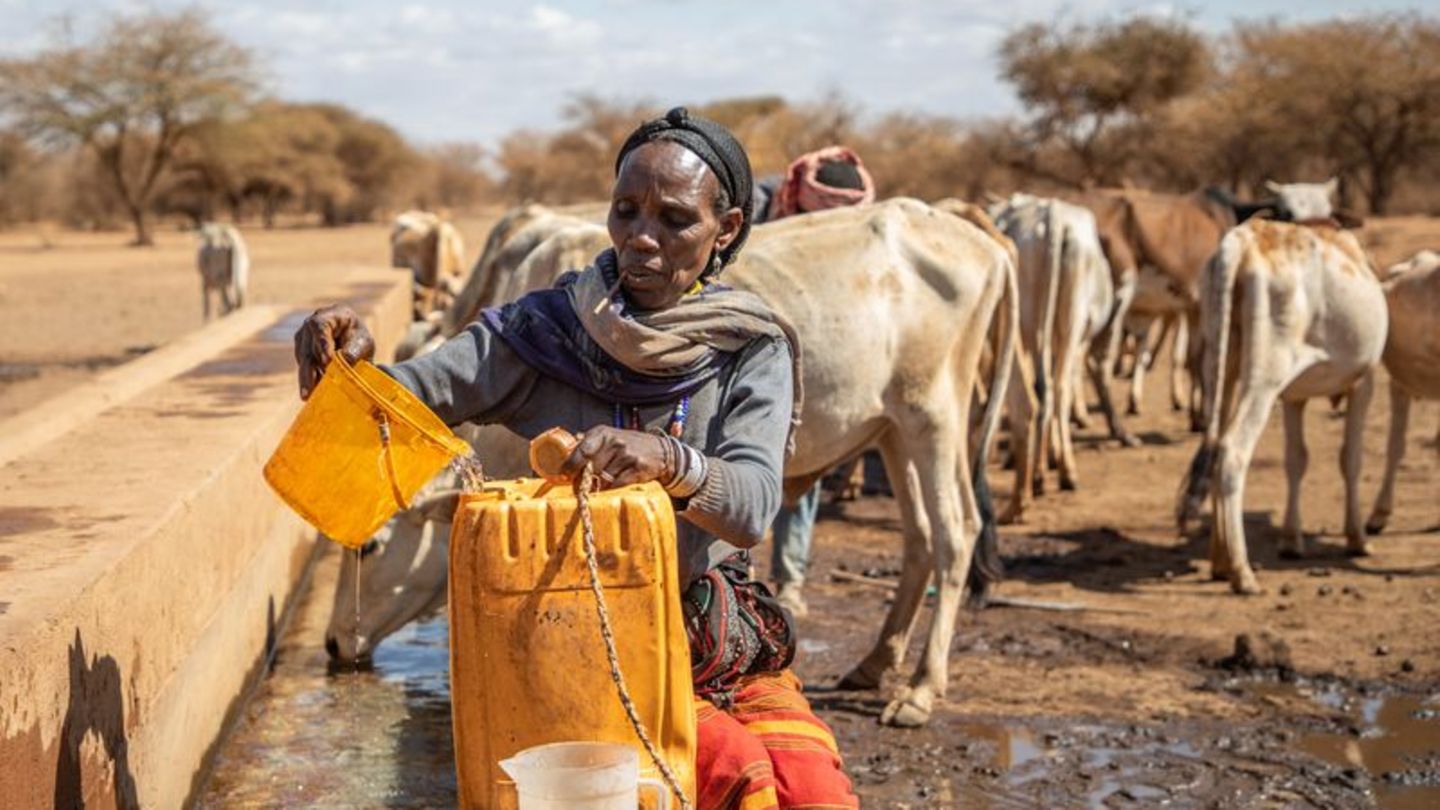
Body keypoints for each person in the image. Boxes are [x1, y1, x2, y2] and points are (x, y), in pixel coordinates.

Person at [292, 107, 857, 810]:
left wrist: (668, 458)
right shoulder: (546, 331)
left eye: (675, 220)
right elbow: (414, 394)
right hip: (577, 640)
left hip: (713, 637)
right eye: (626, 212)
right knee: (741, 781)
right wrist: (351, 363)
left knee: (816, 792)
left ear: (728, 229)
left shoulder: (748, 348)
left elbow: (748, 508)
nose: (642, 240)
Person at [752, 146, 876, 619]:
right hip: (746, 348)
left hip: (810, 350)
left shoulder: (847, 227)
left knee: (802, 458)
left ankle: (790, 580)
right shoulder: (759, 207)